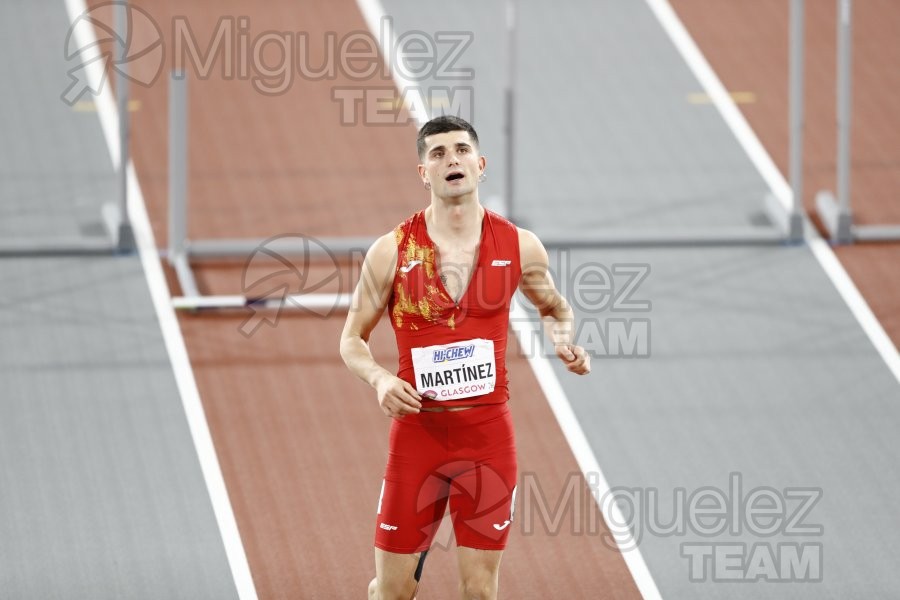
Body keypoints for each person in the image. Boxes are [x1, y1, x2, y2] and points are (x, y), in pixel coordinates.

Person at [340, 115, 590, 600]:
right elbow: (351, 339)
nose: (450, 159)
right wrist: (379, 380)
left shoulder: (519, 245)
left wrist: (563, 340)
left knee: (479, 591)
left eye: (460, 150)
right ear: (423, 173)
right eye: (437, 154)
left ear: (480, 165)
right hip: (418, 439)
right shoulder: (391, 251)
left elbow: (557, 308)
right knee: (393, 593)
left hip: (488, 443)